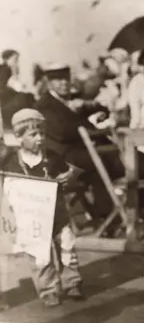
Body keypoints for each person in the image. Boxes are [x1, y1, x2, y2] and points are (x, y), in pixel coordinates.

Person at [1, 109, 84, 307]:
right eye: (33, 134)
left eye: (42, 134)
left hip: (57, 213)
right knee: (39, 254)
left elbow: (69, 173)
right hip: (31, 219)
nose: (39, 138)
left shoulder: (53, 158)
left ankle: (72, 282)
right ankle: (48, 289)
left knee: (66, 246)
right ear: (19, 137)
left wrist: (69, 176)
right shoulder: (10, 162)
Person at [35, 63, 125, 228]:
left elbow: (78, 118)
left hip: (78, 151)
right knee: (103, 162)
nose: (64, 83)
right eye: (58, 80)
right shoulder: (46, 105)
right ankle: (110, 216)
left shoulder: (65, 101)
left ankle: (112, 214)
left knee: (119, 159)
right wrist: (89, 124)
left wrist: (95, 116)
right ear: (49, 83)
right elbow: (62, 132)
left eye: (66, 79)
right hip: (63, 157)